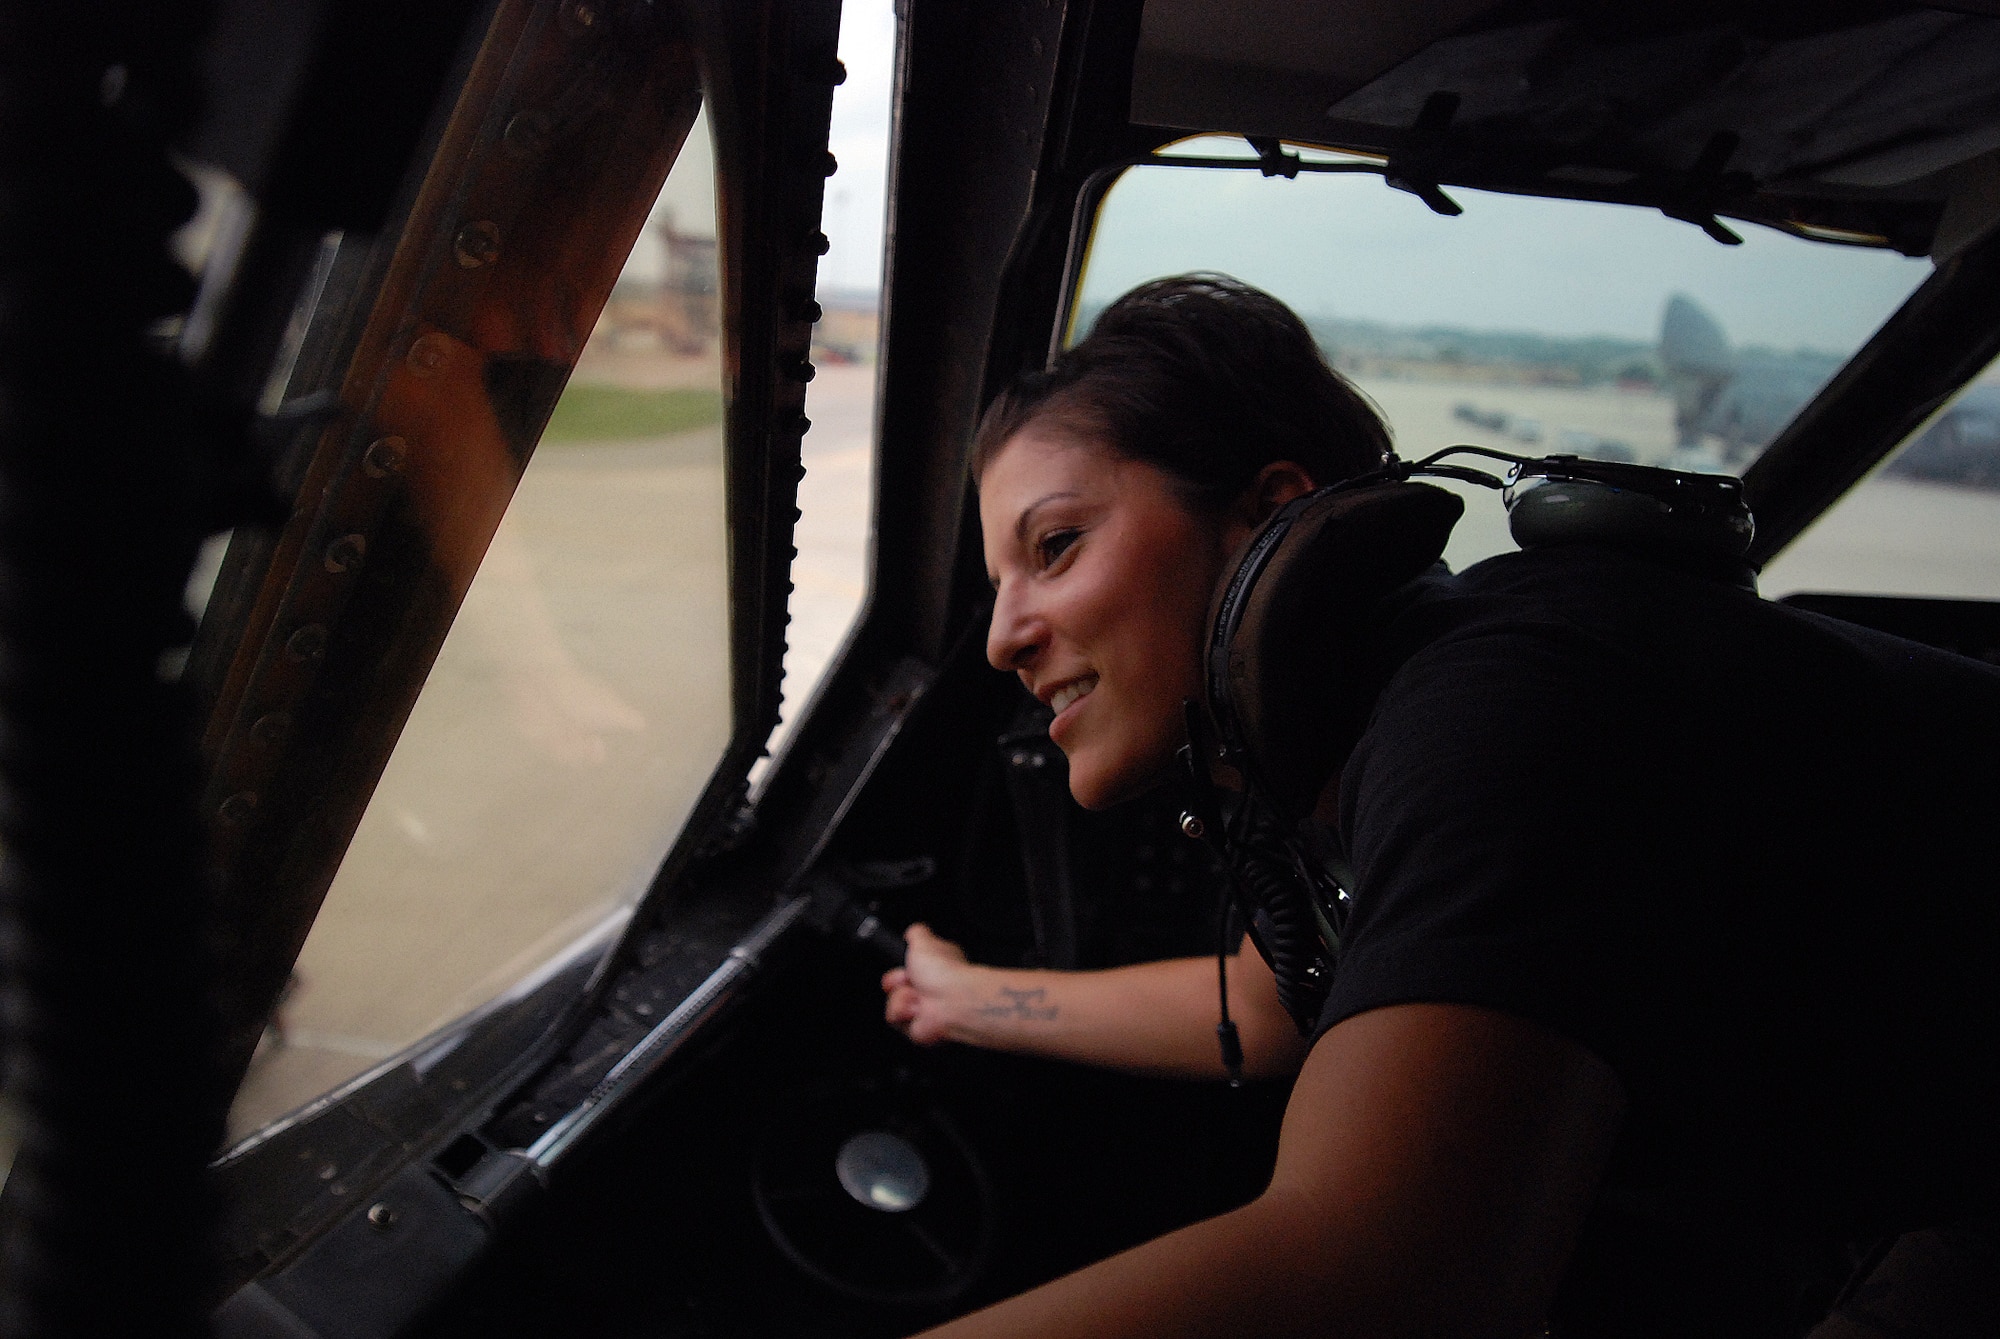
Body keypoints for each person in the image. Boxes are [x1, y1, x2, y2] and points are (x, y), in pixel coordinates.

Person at [893, 274, 2000, 1337]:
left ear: (1264, 511)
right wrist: (969, 999)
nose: (1003, 637)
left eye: (1054, 546)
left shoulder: (1502, 698)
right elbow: (1271, 1008)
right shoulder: (1377, 714)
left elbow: (1388, 1274)